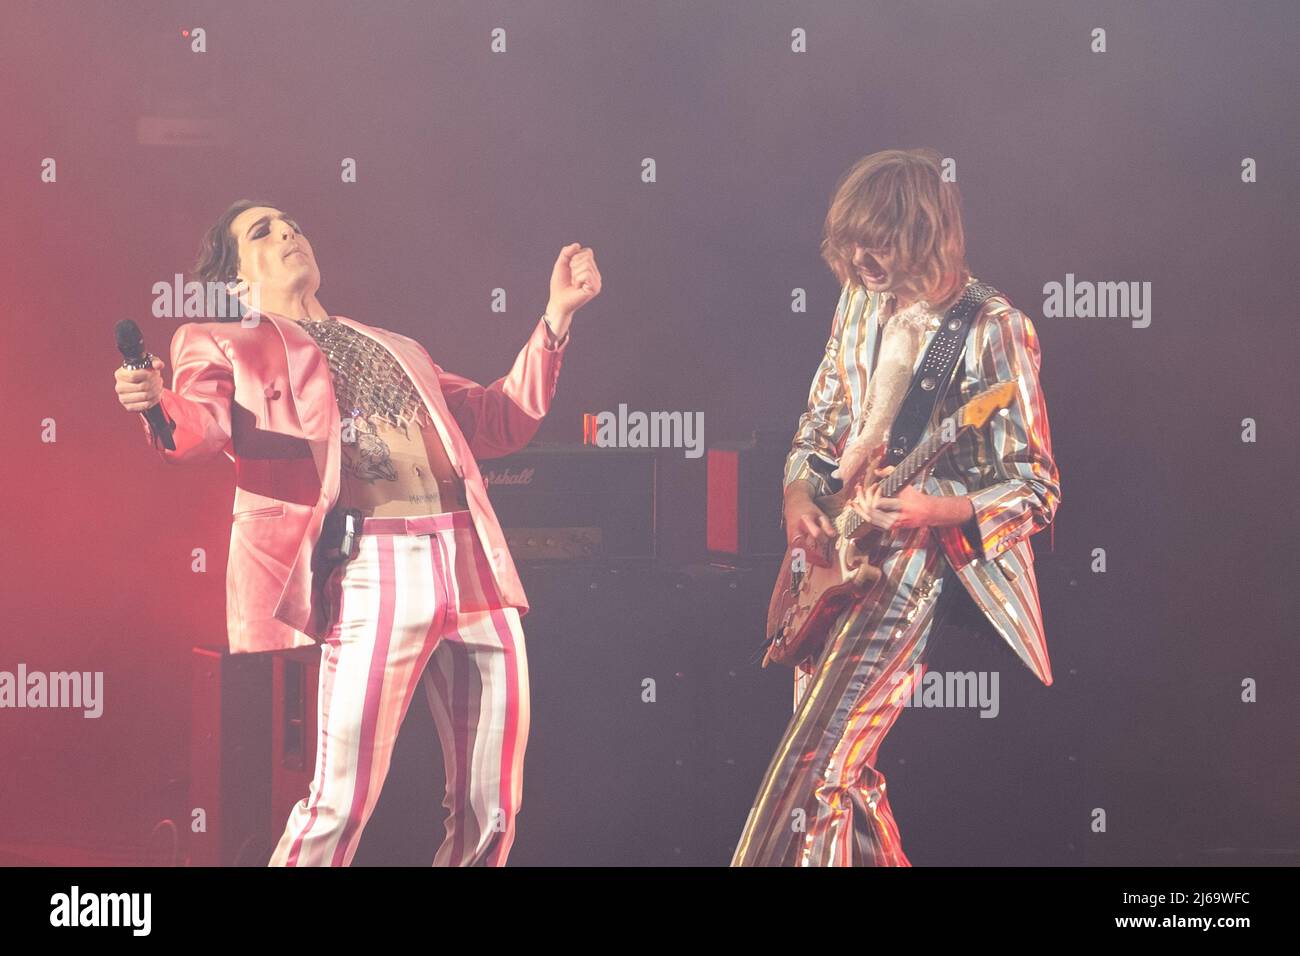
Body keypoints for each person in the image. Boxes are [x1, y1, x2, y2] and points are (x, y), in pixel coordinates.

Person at [113, 200, 601, 866]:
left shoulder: (397, 344)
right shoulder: (225, 339)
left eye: (291, 223)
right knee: (338, 802)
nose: (288, 232)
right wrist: (158, 405)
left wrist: (556, 319)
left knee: (495, 806)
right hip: (374, 566)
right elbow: (201, 422)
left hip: (472, 559)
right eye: (263, 231)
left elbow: (497, 419)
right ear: (232, 281)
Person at [732, 149, 1060, 866]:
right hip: (835, 557)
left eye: (877, 241)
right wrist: (797, 497)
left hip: (917, 567)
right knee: (842, 774)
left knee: (814, 768)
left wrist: (934, 509)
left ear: (925, 232)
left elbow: (1035, 487)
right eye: (850, 241)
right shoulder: (857, 303)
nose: (860, 257)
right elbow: (821, 420)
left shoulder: (992, 328)